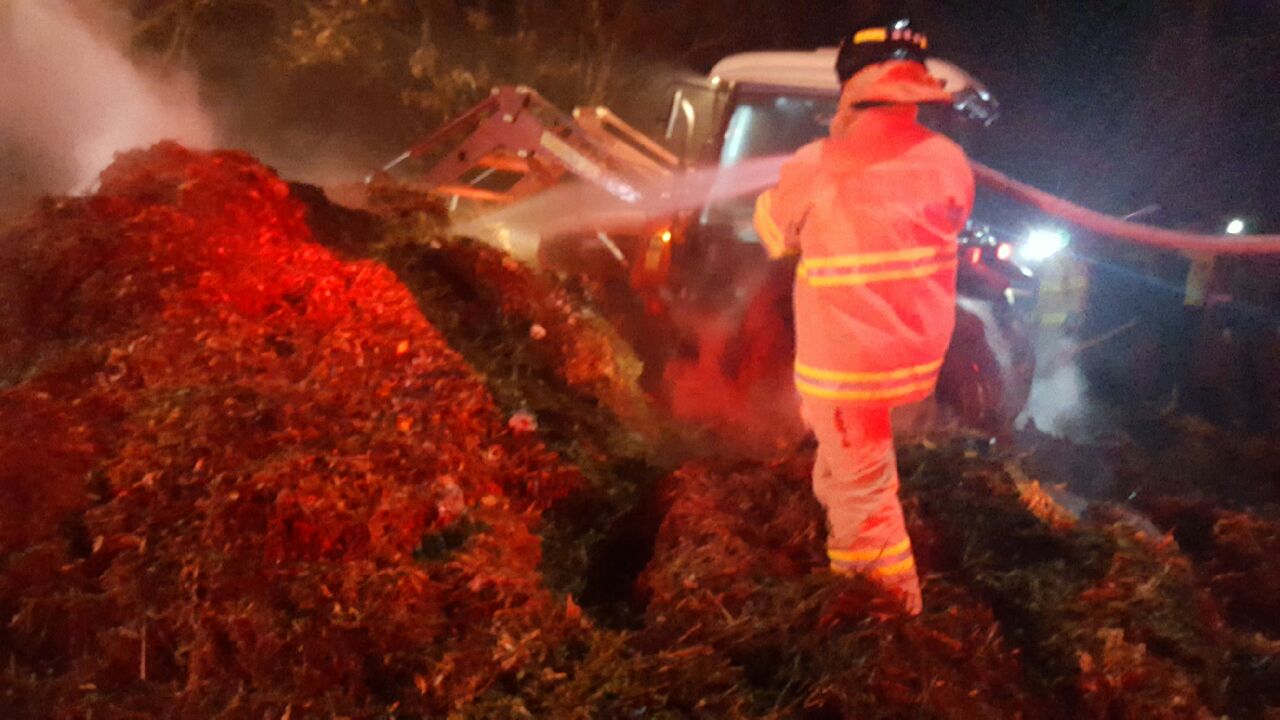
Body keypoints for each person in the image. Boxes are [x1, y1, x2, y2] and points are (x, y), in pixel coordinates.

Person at [752, 18, 975, 615]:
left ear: (851, 84)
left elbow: (776, 235)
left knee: (866, 498)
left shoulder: (819, 163)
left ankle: (885, 612)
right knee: (846, 465)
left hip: (850, 362)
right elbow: (944, 219)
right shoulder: (948, 160)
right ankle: (849, 555)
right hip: (914, 354)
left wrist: (773, 198)